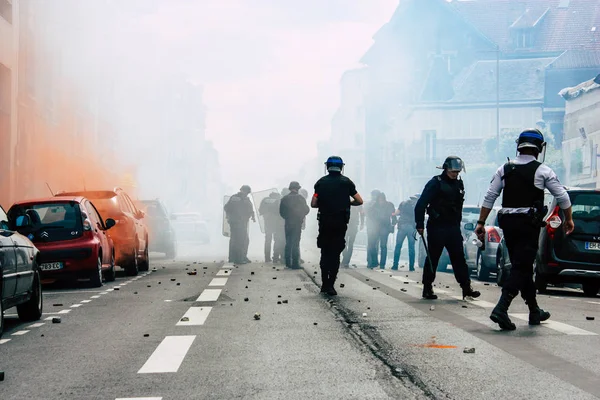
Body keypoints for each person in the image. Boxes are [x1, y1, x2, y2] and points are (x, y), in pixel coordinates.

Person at [476, 129, 574, 330]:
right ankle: (501, 309)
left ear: (518, 145)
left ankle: (534, 310)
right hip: (528, 224)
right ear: (539, 148)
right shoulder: (543, 170)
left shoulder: (504, 169)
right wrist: (569, 219)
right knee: (522, 267)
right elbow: (563, 197)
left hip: (508, 224)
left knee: (523, 266)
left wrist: (481, 222)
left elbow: (489, 196)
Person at [415, 156, 480, 300]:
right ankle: (427, 287)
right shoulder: (435, 183)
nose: (455, 174)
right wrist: (419, 224)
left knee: (459, 258)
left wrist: (458, 226)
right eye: (452, 172)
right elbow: (420, 205)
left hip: (452, 227)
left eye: (457, 172)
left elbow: (459, 207)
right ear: (445, 169)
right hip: (437, 226)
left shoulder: (459, 184)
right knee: (433, 258)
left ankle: (466, 287)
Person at [312, 156, 363, 295]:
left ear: (327, 166)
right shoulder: (347, 182)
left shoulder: (320, 183)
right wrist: (347, 203)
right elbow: (359, 200)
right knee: (335, 253)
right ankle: (331, 284)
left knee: (325, 252)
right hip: (340, 224)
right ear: (341, 167)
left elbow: (313, 203)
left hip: (324, 223)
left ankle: (324, 284)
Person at [280, 181, 310, 269]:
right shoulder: (300, 198)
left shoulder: (285, 198)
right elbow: (306, 210)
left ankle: (288, 262)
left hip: (288, 223)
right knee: (295, 243)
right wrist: (300, 217)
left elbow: (281, 212)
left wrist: (288, 218)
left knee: (288, 242)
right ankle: (295, 264)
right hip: (297, 224)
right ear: (298, 188)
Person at [224, 185, 255, 264]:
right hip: (239, 222)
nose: (247, 194)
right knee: (241, 240)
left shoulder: (235, 198)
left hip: (235, 221)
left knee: (235, 239)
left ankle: (234, 257)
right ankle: (239, 258)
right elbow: (247, 209)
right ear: (244, 191)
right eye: (247, 192)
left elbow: (226, 207)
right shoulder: (242, 199)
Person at [392, 195, 419, 271]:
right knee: (411, 248)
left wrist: (393, 215)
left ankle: (395, 265)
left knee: (398, 246)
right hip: (411, 228)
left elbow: (396, 213)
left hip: (402, 227)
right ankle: (411, 267)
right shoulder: (417, 205)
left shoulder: (403, 203)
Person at [371, 192, 396, 269]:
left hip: (385, 227)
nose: (381, 201)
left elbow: (393, 216)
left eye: (382, 199)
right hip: (376, 227)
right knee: (373, 245)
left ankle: (382, 264)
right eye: (379, 199)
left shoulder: (389, 205)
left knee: (383, 246)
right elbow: (371, 215)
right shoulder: (375, 205)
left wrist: (392, 225)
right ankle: (375, 262)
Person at [259, 191, 282, 263]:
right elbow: (279, 211)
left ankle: (267, 258)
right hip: (276, 223)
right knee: (277, 240)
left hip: (267, 223)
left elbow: (260, 210)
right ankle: (275, 257)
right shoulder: (277, 201)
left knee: (267, 240)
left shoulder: (264, 200)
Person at [341, 204, 365, 268]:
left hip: (352, 225)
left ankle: (346, 260)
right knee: (344, 243)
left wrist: (362, 224)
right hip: (346, 224)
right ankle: (346, 259)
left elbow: (362, 213)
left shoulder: (357, 204)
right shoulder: (346, 201)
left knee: (349, 244)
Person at [365, 189, 382, 269]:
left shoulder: (367, 204)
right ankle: (373, 261)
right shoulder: (379, 205)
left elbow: (365, 213)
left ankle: (370, 261)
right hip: (376, 227)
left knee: (370, 244)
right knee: (375, 244)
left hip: (370, 226)